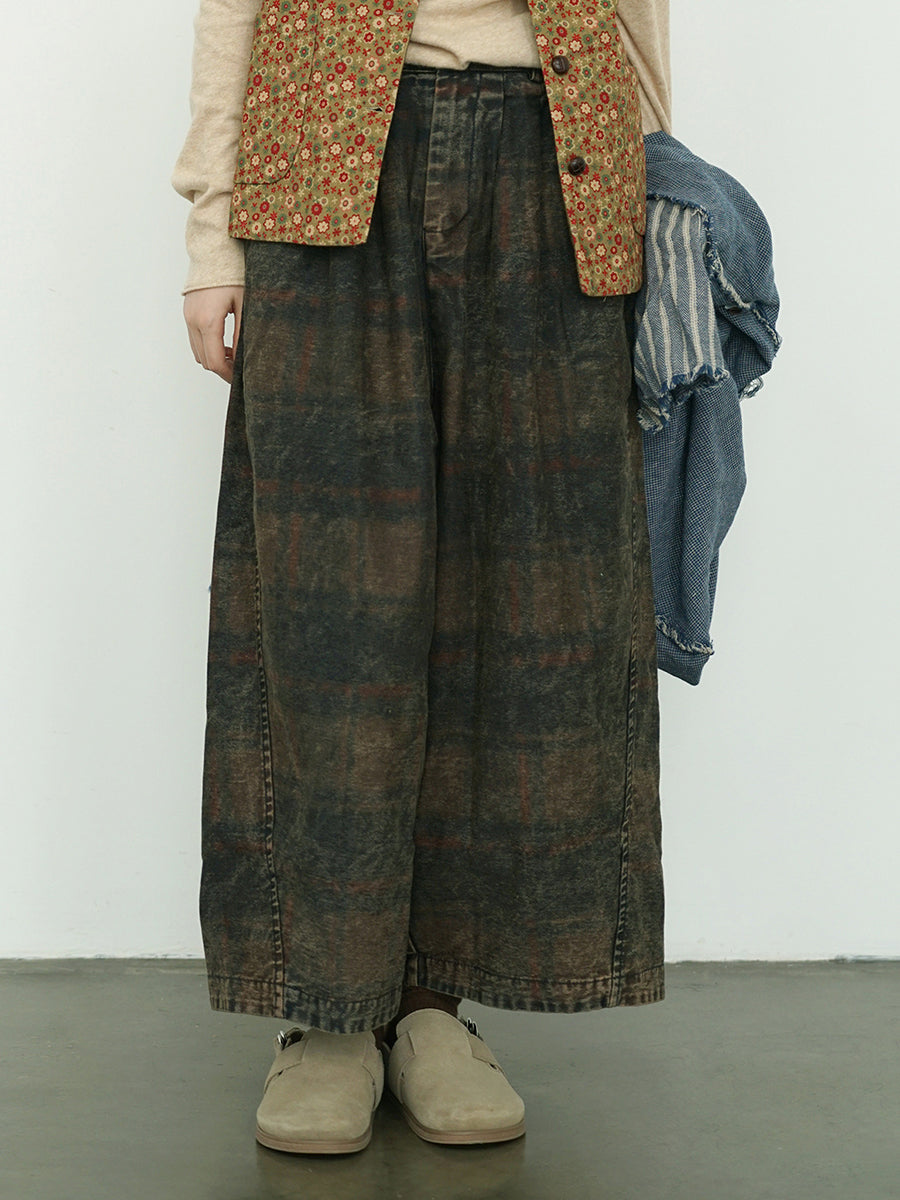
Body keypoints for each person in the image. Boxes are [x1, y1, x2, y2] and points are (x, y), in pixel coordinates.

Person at [173, 0, 671, 1155]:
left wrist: (650, 196)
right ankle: (329, 1016)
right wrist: (212, 237)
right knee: (329, 610)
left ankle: (434, 1007)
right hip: (322, 149)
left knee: (526, 603)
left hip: (558, 153)